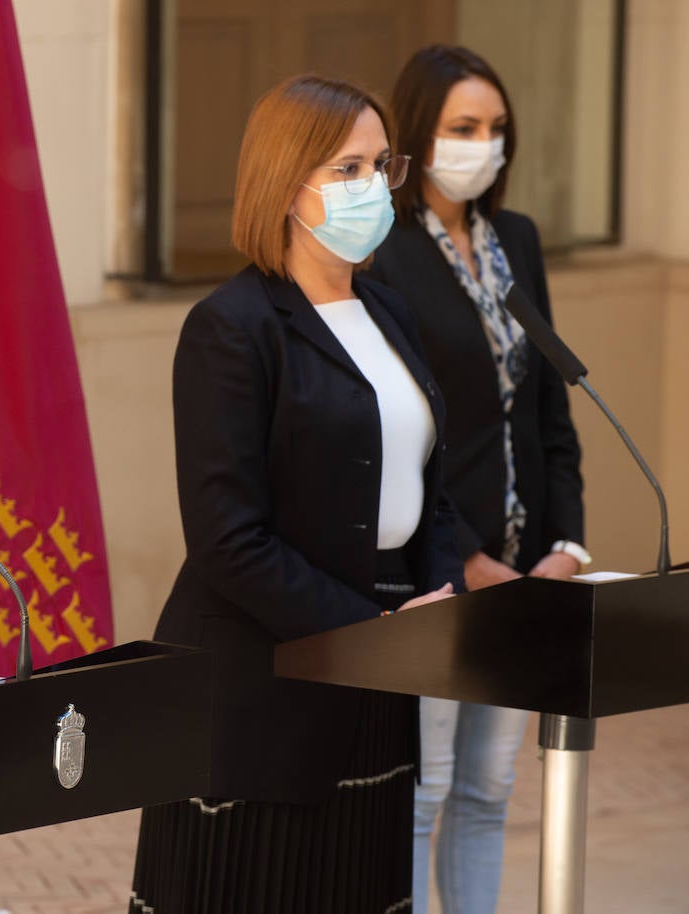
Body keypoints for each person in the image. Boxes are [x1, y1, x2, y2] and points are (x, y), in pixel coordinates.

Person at [128, 75, 464, 914]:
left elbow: (428, 480)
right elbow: (226, 537)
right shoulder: (232, 326)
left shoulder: (388, 308)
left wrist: (441, 594)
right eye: (347, 168)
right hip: (256, 691)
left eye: (381, 164)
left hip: (378, 674)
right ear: (287, 183)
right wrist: (368, 633)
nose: (372, 187)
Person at [369, 45, 586, 914]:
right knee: (425, 791)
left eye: (495, 130)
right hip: (441, 571)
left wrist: (564, 547)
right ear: (419, 134)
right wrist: (464, 563)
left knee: (489, 791)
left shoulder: (516, 240)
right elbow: (395, 433)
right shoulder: (384, 250)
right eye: (463, 128)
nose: (483, 146)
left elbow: (549, 409)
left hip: (529, 571)